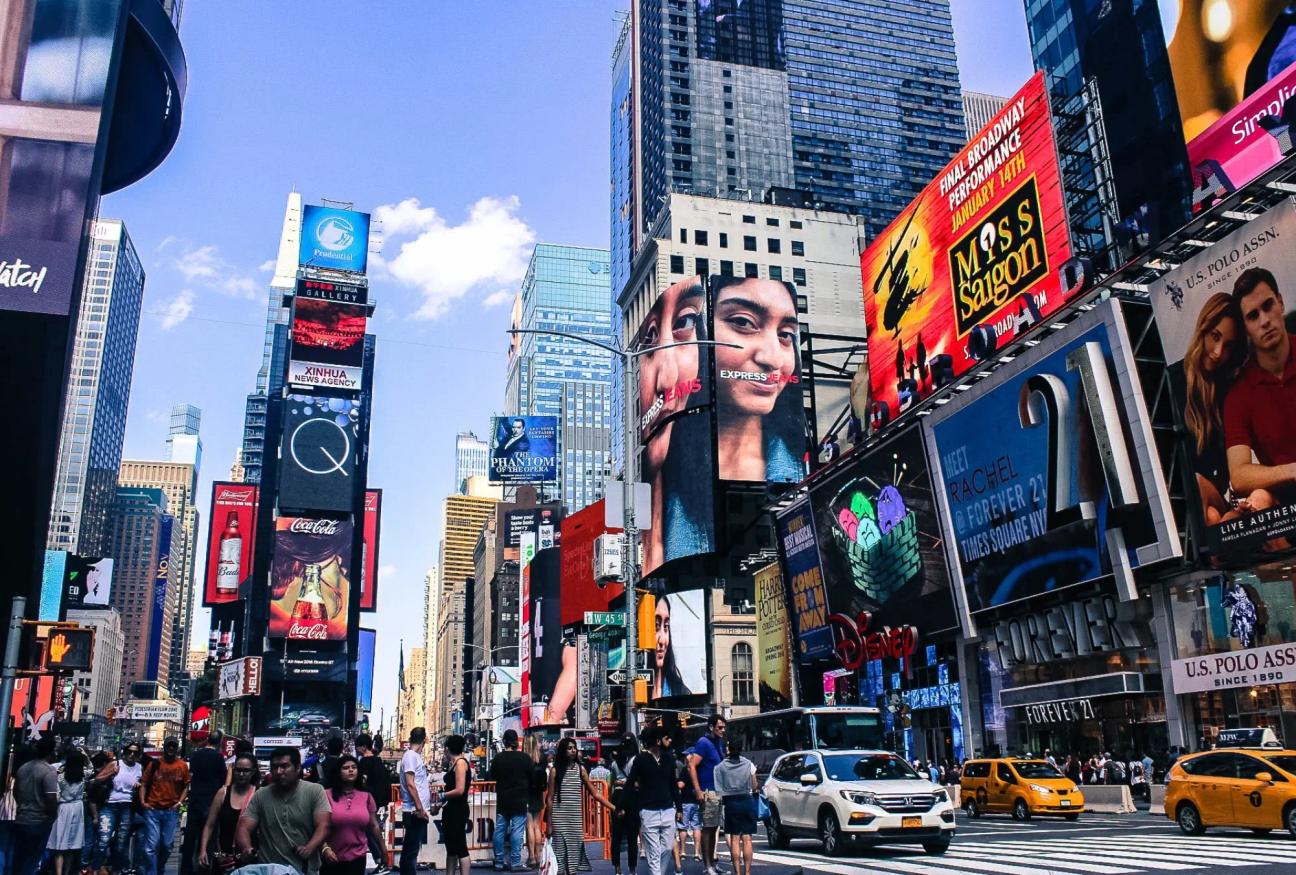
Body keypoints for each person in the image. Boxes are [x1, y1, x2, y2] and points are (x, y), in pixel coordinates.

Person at [636, 277, 714, 572]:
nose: (666, 378)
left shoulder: (697, 531)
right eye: (651, 336)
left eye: (685, 322)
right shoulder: (631, 530)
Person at [712, 276, 805, 482]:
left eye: (785, 334)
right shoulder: (668, 480)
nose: (773, 359)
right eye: (743, 322)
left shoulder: (801, 469)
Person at [1224, 268, 1295, 518]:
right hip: (1285, 507)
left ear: (1281, 302)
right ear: (1245, 327)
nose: (1265, 321)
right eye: (1253, 316)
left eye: (1268, 306)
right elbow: (1239, 475)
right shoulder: (1239, 395)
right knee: (1256, 501)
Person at [1178, 293, 1250, 523]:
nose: (1218, 352)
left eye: (1228, 345)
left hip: (1213, 495)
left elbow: (1228, 473)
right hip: (1184, 502)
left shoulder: (1227, 392)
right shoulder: (1175, 382)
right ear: (1203, 329)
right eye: (1215, 336)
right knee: (1209, 513)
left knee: (1202, 493)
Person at [235, 746, 331, 874]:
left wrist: (309, 847)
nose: (279, 771)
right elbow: (243, 827)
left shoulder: (315, 791)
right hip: (269, 869)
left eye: (284, 766)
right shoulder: (261, 795)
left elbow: (324, 826)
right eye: (274, 767)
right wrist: (247, 848)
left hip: (304, 869)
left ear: (297, 768)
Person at [546, 737, 613, 875]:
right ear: (563, 751)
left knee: (573, 862)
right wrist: (549, 825)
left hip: (575, 821)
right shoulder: (555, 771)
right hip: (559, 820)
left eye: (574, 748)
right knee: (559, 862)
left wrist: (613, 807)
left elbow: (595, 794)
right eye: (569, 748)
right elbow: (550, 799)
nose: (573, 751)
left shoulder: (581, 770)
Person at [321, 755, 387, 875]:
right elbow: (318, 826)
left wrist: (383, 850)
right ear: (338, 772)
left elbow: (374, 826)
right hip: (331, 857)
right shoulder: (326, 795)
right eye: (346, 768)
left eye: (354, 767)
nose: (351, 770)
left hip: (358, 858)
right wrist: (324, 848)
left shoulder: (366, 796)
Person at [627, 726, 679, 875]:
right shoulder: (641, 759)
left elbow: (673, 785)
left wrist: (679, 807)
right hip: (648, 810)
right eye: (666, 738)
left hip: (668, 809)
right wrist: (622, 805)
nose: (669, 740)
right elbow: (630, 782)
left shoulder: (669, 759)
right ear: (657, 741)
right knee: (654, 851)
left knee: (668, 847)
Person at [198, 753, 258, 875]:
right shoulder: (223, 793)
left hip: (248, 857)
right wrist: (203, 850)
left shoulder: (258, 795)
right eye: (238, 770)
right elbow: (209, 825)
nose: (241, 774)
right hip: (224, 858)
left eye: (246, 771)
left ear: (253, 772)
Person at [140, 737, 190, 875]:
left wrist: (179, 802)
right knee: (151, 845)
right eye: (169, 746)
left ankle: (160, 868)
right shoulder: (155, 764)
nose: (171, 749)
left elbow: (186, 786)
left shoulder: (182, 766)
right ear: (164, 747)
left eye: (174, 746)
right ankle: (152, 872)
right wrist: (143, 802)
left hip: (171, 811)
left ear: (177, 748)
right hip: (153, 809)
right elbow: (144, 783)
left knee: (167, 845)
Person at [180, 729, 227, 875]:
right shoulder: (219, 758)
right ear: (219, 742)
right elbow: (223, 778)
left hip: (195, 800)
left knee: (190, 838)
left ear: (208, 739)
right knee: (208, 837)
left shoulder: (195, 756)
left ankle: (186, 869)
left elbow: (192, 774)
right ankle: (204, 867)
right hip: (212, 801)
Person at [13, 734, 59, 875]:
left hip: (21, 819)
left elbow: (16, 792)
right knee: (32, 860)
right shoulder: (49, 771)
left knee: (19, 858)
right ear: (51, 752)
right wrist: (52, 816)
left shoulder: (23, 768)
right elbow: (51, 798)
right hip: (39, 821)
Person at [95, 741, 143, 874]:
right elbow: (98, 779)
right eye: (129, 751)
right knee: (103, 840)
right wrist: (111, 774)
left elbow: (143, 786)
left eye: (135, 752)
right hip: (110, 805)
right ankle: (96, 868)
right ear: (124, 752)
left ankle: (116, 870)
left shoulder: (139, 768)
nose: (132, 755)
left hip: (127, 806)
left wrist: (138, 788)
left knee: (121, 843)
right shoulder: (116, 764)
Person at [687, 715, 726, 875]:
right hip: (708, 791)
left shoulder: (717, 743)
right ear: (711, 727)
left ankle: (712, 864)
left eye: (724, 727)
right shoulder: (704, 743)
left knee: (714, 827)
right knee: (708, 829)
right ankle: (707, 865)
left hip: (717, 791)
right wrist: (698, 790)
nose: (723, 730)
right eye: (720, 727)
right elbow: (692, 765)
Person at [489, 729, 532, 872]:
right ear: (516, 742)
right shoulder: (525, 758)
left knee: (500, 830)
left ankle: (499, 861)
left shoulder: (498, 759)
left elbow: (491, 776)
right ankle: (515, 862)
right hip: (520, 799)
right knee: (517, 830)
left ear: (504, 742)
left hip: (503, 799)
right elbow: (532, 777)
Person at [713, 740, 757, 875]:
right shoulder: (748, 764)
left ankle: (737, 872)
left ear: (729, 749)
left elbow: (718, 790)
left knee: (734, 839)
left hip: (731, 803)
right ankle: (747, 872)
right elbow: (754, 785)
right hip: (746, 801)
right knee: (747, 838)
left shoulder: (720, 767)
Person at [46, 746, 87, 875]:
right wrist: (85, 755)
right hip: (77, 808)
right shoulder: (83, 775)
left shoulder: (61, 777)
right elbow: (91, 767)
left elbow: (56, 796)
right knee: (72, 845)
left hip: (63, 808)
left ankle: (58, 872)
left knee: (60, 844)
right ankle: (67, 872)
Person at [355, 733, 392, 871]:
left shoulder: (364, 762)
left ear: (364, 747)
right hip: (379, 800)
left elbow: (362, 781)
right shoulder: (378, 761)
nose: (357, 749)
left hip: (368, 802)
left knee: (369, 831)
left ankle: (380, 860)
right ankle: (381, 860)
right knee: (374, 830)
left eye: (358, 747)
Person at [398, 728, 432, 875]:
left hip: (415, 810)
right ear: (424, 739)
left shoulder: (413, 756)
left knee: (411, 850)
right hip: (414, 812)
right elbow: (410, 784)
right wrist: (419, 809)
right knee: (410, 852)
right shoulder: (411, 756)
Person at [439, 735, 472, 875]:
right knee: (451, 847)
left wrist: (442, 796)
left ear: (448, 748)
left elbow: (459, 790)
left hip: (458, 809)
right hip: (451, 808)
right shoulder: (455, 763)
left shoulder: (460, 764)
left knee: (460, 846)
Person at [608, 737, 640, 875]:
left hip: (617, 797)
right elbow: (638, 783)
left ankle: (617, 868)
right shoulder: (636, 761)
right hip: (632, 797)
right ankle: (632, 869)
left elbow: (611, 783)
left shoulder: (615, 763)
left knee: (616, 835)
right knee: (632, 837)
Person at [651, 595, 691, 699]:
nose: (662, 640)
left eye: (666, 627)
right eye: (656, 625)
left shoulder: (682, 692)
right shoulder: (627, 694)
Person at [523, 736, 547, 870]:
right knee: (537, 826)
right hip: (538, 794)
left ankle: (531, 857)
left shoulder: (524, 759)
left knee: (529, 826)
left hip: (526, 794)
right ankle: (538, 855)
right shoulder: (541, 758)